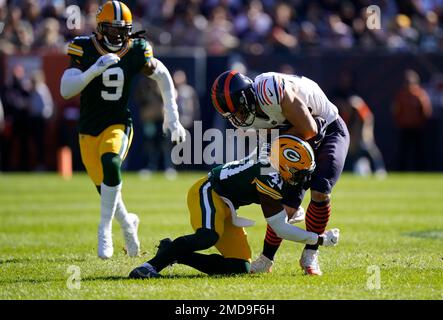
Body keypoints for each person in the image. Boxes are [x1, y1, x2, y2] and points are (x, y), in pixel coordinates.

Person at [60, 1, 186, 259]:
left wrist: (172, 118)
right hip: (88, 128)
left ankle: (104, 229)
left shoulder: (136, 49)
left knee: (111, 160)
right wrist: (93, 71)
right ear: (100, 28)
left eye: (123, 30)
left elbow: (162, 76)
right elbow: (65, 90)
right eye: (113, 29)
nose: (118, 35)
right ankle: (128, 225)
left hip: (118, 122)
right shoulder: (84, 47)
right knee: (108, 190)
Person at [129, 135, 340, 278]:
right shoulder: (267, 176)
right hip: (208, 190)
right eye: (298, 173)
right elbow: (280, 228)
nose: (301, 180)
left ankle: (174, 252)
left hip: (227, 204)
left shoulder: (272, 162)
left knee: (239, 267)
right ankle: (149, 266)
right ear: (284, 166)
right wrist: (318, 239)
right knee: (207, 236)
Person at [211, 70, 349, 275]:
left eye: (239, 111)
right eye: (233, 114)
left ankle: (311, 254)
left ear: (246, 98)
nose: (238, 118)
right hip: (293, 137)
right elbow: (271, 141)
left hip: (327, 129)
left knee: (320, 191)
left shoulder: (270, 89)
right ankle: (267, 259)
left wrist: (274, 145)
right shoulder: (244, 115)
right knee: (284, 204)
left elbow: (310, 129)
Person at [392, 69, 432, 171]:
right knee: (403, 152)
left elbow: (426, 111)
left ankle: (421, 171)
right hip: (404, 128)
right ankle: (402, 171)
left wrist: (422, 123)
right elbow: (396, 110)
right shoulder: (401, 95)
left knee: (419, 152)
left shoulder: (420, 94)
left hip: (417, 128)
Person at [340, 95, 387, 177]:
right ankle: (349, 170)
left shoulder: (361, 112)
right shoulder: (349, 114)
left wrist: (366, 135)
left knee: (372, 154)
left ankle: (379, 170)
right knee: (353, 155)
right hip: (355, 140)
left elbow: (367, 121)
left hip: (363, 138)